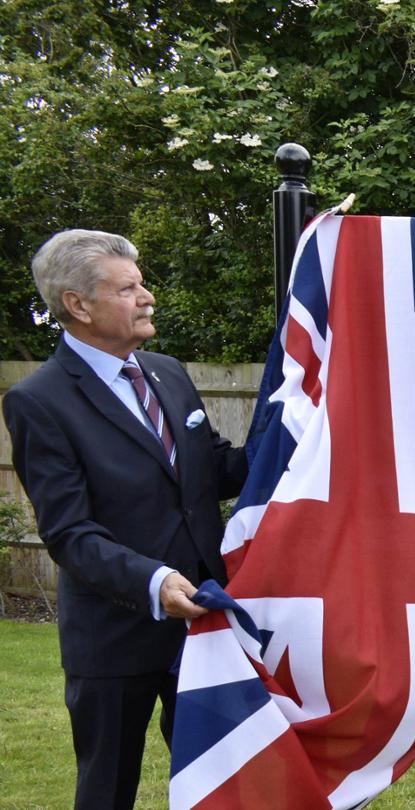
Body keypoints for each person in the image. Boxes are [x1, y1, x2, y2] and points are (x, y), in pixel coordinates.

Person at [5, 230, 248, 809]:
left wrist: (295, 437)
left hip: (205, 626)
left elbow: (212, 470)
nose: (148, 297)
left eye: (142, 283)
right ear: (78, 304)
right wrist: (155, 581)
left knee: (225, 780)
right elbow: (69, 532)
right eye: (129, 287)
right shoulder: (40, 401)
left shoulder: (167, 371)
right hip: (113, 638)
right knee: (107, 788)